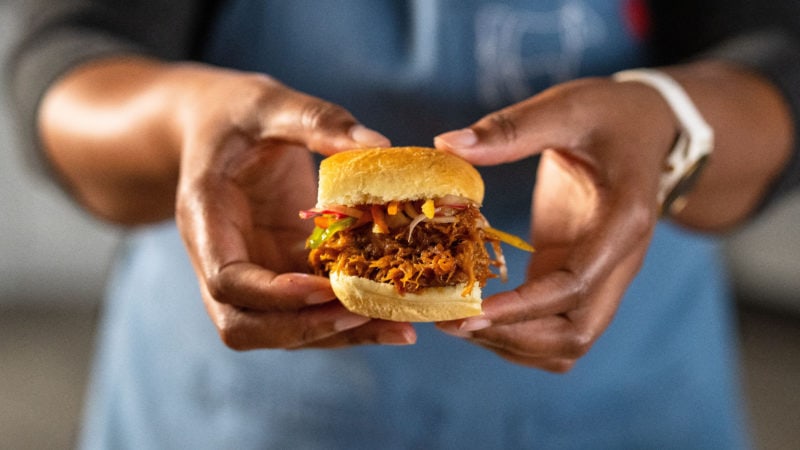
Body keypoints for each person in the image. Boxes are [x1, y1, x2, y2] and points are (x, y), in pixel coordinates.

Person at [6, 0, 799, 448]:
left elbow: (777, 62)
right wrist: (183, 120)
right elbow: (68, 62)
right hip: (234, 411)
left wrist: (675, 122)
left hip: (622, 396)